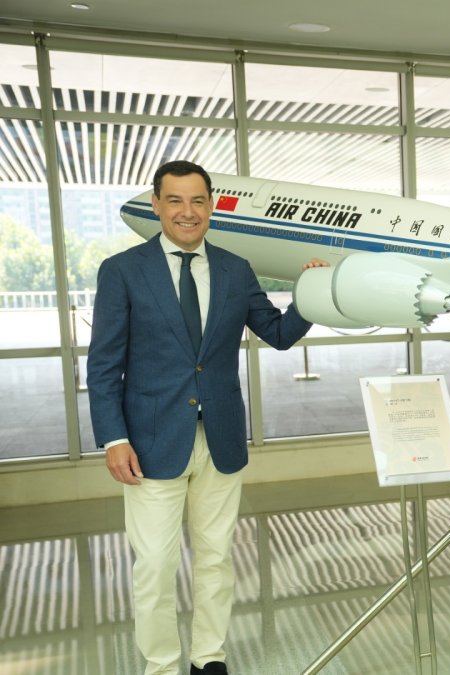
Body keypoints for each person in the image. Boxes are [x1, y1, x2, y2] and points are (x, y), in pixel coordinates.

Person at [87, 160, 327, 675]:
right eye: (174, 200)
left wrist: (311, 294)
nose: (187, 212)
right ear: (156, 205)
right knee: (154, 565)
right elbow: (104, 364)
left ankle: (208, 657)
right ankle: (162, 665)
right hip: (149, 443)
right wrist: (113, 438)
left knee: (216, 558)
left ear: (211, 204)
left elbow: (279, 334)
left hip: (219, 439)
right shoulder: (123, 271)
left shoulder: (236, 269)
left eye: (197, 200)